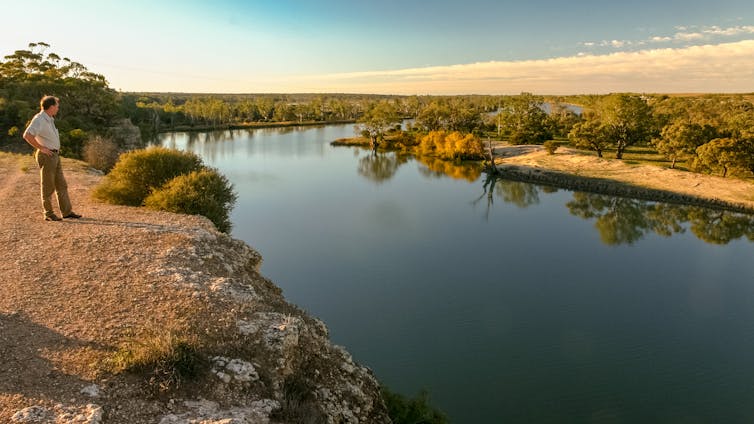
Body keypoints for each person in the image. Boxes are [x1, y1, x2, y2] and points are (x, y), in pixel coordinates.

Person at [22, 95, 82, 221]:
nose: (58, 108)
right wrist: (41, 148)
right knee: (48, 185)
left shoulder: (49, 119)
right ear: (51, 106)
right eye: (57, 106)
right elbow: (27, 135)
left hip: (54, 155)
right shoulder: (39, 119)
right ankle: (48, 213)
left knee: (62, 185)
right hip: (47, 156)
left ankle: (67, 212)